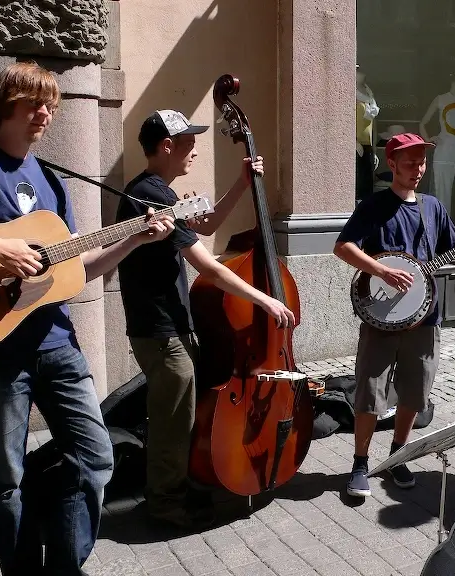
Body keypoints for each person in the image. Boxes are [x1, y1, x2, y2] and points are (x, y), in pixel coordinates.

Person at [0, 61, 176, 574]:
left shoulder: (51, 181)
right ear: (6, 105)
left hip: (56, 343)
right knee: (7, 478)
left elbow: (74, 269)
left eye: (52, 107)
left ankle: (65, 565)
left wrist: (133, 239)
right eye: (34, 103)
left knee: (96, 458)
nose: (45, 114)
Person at [115, 109, 295, 529]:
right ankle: (165, 504)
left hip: (167, 326)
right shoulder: (151, 194)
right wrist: (265, 300)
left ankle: (180, 485)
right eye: (189, 142)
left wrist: (243, 182)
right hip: (160, 329)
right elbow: (209, 268)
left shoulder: (155, 189)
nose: (194, 149)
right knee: (171, 421)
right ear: (166, 147)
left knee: (179, 415)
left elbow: (208, 222)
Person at [332, 133, 455, 498]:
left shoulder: (433, 207)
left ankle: (398, 456)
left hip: (425, 317)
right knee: (369, 392)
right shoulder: (374, 205)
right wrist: (381, 271)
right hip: (381, 317)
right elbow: (343, 247)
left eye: (422, 163)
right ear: (392, 164)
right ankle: (360, 463)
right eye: (410, 163)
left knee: (415, 394)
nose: (418, 169)